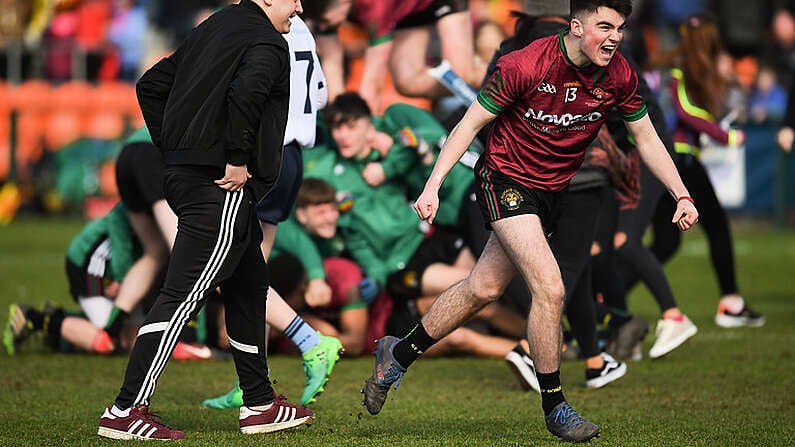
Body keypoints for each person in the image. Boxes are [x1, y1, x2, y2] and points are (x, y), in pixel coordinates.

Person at [360, 1, 699, 444]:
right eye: (604, 27)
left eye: (620, 27)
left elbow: (647, 137)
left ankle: (397, 353)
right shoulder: (524, 63)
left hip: (552, 192)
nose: (615, 37)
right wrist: (433, 185)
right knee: (550, 287)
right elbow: (467, 124)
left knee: (482, 287)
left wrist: (681, 193)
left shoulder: (619, 74)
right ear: (576, 27)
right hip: (504, 180)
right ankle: (555, 405)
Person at [97, 0, 313, 441]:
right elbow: (247, 94)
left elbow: (151, 85)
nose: (300, 7)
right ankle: (124, 410)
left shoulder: (216, 26)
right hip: (222, 186)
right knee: (181, 296)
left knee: (249, 287)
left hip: (191, 176)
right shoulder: (269, 42)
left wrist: (176, 151)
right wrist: (233, 159)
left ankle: (259, 404)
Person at [201, 13, 343, 411]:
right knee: (251, 269)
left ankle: (311, 342)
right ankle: (251, 380)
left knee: (236, 273)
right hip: (292, 157)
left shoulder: (255, 30)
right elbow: (318, 96)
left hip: (263, 155)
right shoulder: (300, 29)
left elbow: (240, 96)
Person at [645, 14, 765, 328]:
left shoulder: (687, 69)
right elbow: (685, 111)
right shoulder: (678, 70)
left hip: (676, 159)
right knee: (717, 227)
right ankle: (731, 303)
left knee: (665, 244)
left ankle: (606, 294)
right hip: (680, 160)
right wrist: (725, 135)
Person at [302, 0, 482, 112]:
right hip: (408, 9)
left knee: (461, 76)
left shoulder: (374, 8)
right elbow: (331, 64)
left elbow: (372, 83)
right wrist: (339, 118)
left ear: (343, 2)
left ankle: (499, 75)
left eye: (325, 22)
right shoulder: (321, 12)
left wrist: (361, 129)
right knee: (407, 83)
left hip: (440, 2)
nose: (323, 29)